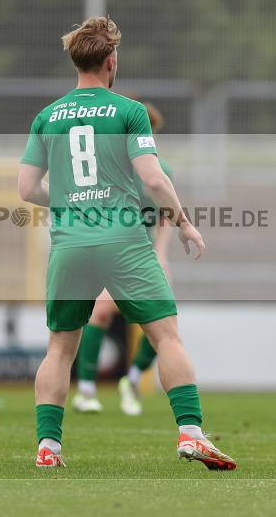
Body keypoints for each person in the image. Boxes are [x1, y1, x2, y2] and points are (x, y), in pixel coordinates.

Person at [18, 16, 236, 470]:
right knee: (166, 336)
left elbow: (25, 189)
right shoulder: (128, 111)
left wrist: (65, 199)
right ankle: (191, 433)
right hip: (122, 238)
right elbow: (154, 179)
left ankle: (47, 448)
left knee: (59, 347)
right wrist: (184, 224)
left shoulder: (47, 116)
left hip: (69, 242)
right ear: (111, 59)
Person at [71, 98, 174, 417]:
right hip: (108, 251)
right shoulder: (103, 166)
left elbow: (166, 214)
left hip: (141, 253)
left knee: (163, 322)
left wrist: (161, 252)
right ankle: (86, 390)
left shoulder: (159, 171)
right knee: (100, 311)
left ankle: (131, 379)